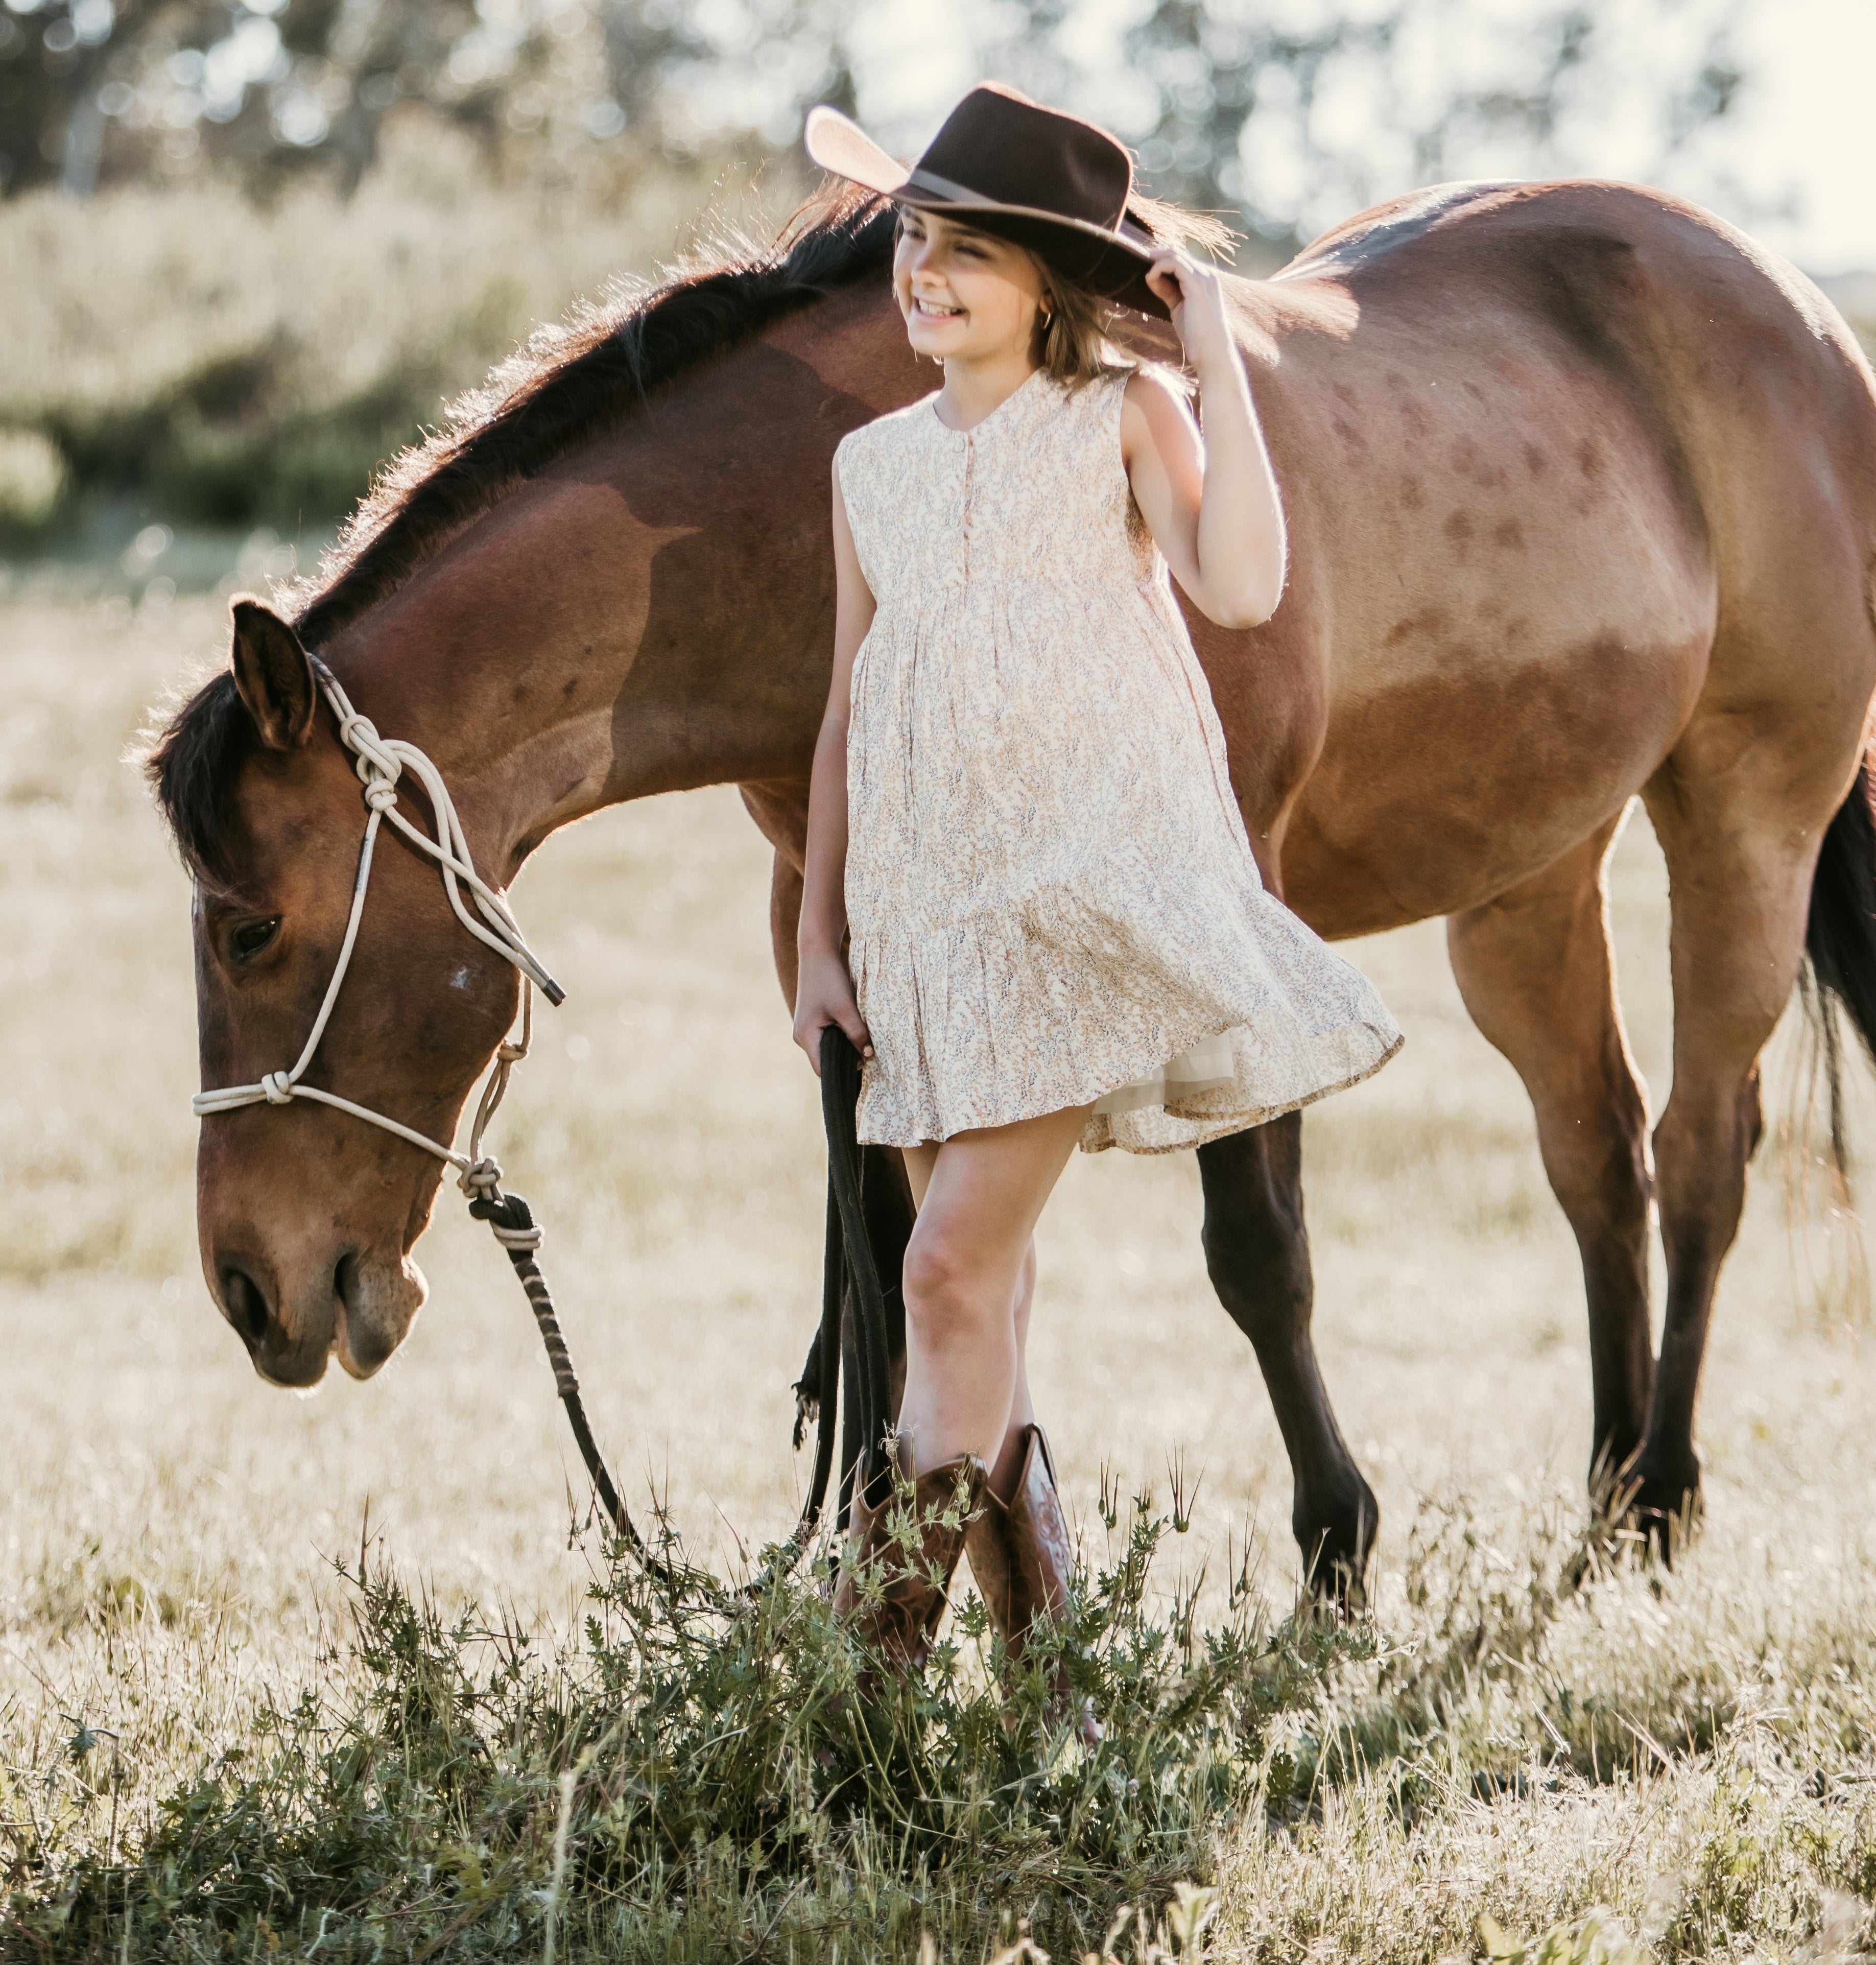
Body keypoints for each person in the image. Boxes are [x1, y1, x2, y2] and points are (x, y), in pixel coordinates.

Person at [792, 83, 1402, 1680]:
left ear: (1049, 285)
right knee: (980, 1298)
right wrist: (817, 935)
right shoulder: (871, 467)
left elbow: (1244, 583)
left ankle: (877, 1687)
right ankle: (1052, 1682)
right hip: (926, 913)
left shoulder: (1124, 417)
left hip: (1080, 892)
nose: (924, 277)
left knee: (941, 1268)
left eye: (966, 256)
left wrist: (1212, 368)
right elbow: (853, 704)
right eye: (914, 245)